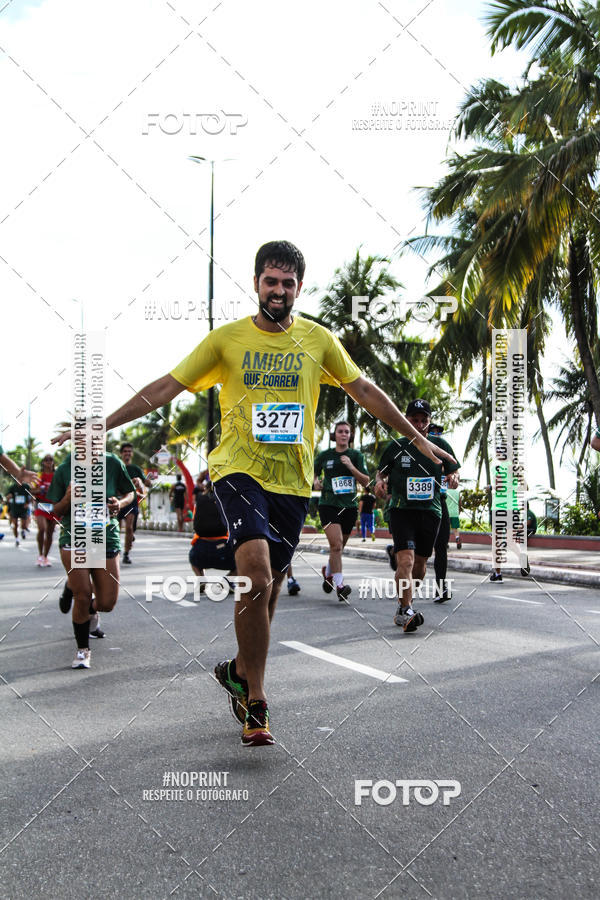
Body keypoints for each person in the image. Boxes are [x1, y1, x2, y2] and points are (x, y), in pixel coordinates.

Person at [54, 240, 454, 743]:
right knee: (257, 571)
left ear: (299, 288)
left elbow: (365, 390)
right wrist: (101, 423)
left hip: (292, 482)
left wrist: (417, 436)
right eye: (271, 281)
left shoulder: (319, 340)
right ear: (257, 283)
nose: (279, 290)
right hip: (238, 472)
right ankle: (258, 703)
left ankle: (239, 670)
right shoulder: (227, 342)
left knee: (266, 589)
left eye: (288, 283)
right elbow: (165, 388)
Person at [376, 399, 460, 631]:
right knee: (406, 560)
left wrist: (453, 478)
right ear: (406, 420)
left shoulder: (439, 444)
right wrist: (380, 483)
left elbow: (455, 472)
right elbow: (380, 474)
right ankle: (405, 610)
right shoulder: (396, 446)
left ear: (429, 421)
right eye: (414, 420)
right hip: (402, 510)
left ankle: (406, 604)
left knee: (421, 564)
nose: (420, 424)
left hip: (431, 511)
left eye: (424, 420)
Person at [47, 452, 135, 669]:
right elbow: (54, 511)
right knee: (83, 595)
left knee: (107, 603)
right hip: (74, 538)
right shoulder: (64, 468)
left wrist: (119, 503)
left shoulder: (112, 462)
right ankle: (82, 650)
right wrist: (67, 498)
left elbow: (131, 492)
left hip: (105, 537)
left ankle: (72, 587)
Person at [314, 422, 369, 601]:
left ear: (350, 435)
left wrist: (351, 467)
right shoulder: (325, 456)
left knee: (339, 547)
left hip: (349, 506)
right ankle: (340, 585)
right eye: (340, 431)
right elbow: (312, 473)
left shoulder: (356, 455)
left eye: (347, 432)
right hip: (328, 504)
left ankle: (328, 571)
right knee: (336, 545)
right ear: (334, 435)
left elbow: (367, 481)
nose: (343, 434)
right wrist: (315, 481)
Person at [427, 424, 460, 603]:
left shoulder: (444, 449)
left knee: (441, 547)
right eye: (433, 431)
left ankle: (441, 588)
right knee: (414, 549)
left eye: (439, 432)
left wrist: (454, 477)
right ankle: (394, 552)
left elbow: (455, 472)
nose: (437, 434)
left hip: (440, 502)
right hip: (417, 506)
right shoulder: (415, 446)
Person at [118, 442, 152, 564]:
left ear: (131, 454)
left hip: (131, 502)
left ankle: (126, 554)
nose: (127, 453)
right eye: (125, 451)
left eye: (129, 451)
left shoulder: (135, 469)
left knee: (129, 528)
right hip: (118, 500)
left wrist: (142, 481)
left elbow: (148, 483)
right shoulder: (117, 467)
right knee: (114, 529)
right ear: (121, 453)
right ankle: (115, 550)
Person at [32, 454, 58, 566]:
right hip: (41, 505)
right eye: (46, 459)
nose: (48, 461)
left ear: (53, 462)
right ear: (42, 462)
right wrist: (40, 490)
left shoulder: (57, 475)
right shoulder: (39, 475)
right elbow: (32, 491)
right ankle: (40, 554)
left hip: (53, 506)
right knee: (42, 528)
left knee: (50, 532)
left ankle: (45, 557)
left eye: (50, 459)